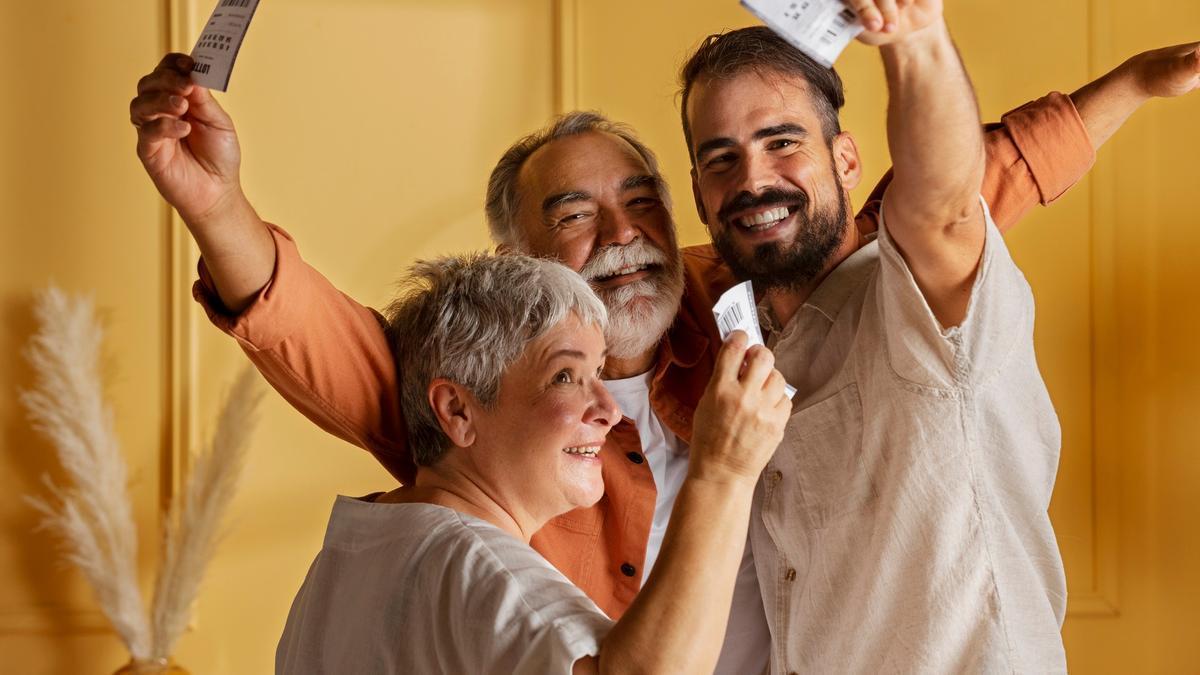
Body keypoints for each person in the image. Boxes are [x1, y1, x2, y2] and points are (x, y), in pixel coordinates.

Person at [129, 2, 1200, 668]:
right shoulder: (489, 408)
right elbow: (335, 343)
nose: (622, 236)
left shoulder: (736, 295)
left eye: (641, 199)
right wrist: (215, 209)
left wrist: (1131, 84)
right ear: (522, 262)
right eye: (573, 215)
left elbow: (957, 195)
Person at [678, 2, 1198, 672]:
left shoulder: (915, 294)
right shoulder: (733, 332)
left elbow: (948, 203)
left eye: (782, 142)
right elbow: (1020, 161)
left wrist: (915, 37)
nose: (751, 179)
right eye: (722, 158)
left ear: (846, 159)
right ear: (697, 191)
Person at [277, 251, 791, 673]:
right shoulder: (478, 568)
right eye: (565, 376)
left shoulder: (348, 559)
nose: (609, 410)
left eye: (598, 373)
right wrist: (724, 471)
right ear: (457, 410)